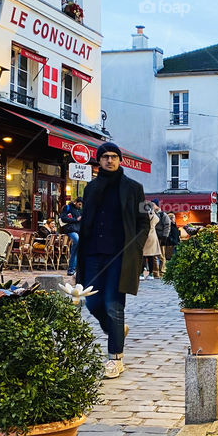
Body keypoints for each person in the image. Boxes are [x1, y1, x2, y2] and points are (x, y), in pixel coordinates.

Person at [76, 142, 149, 380]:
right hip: (93, 255)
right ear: (99, 161)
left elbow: (143, 221)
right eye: (105, 157)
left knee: (113, 305)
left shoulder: (134, 188)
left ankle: (115, 359)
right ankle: (116, 330)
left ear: (120, 160)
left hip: (120, 256)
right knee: (92, 304)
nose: (110, 160)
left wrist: (135, 246)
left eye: (114, 156)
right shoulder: (91, 188)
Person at [59, 198, 82, 276]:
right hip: (70, 230)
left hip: (77, 231)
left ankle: (73, 269)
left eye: (81, 205)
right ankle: (71, 269)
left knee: (76, 250)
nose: (80, 206)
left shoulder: (79, 210)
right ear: (75, 202)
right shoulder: (67, 207)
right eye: (79, 204)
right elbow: (63, 218)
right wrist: (75, 219)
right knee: (76, 241)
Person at [142, 201, 162, 279]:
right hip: (153, 236)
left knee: (143, 256)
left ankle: (141, 274)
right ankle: (150, 274)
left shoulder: (143, 216)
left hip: (144, 236)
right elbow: (157, 220)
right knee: (151, 256)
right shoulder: (155, 217)